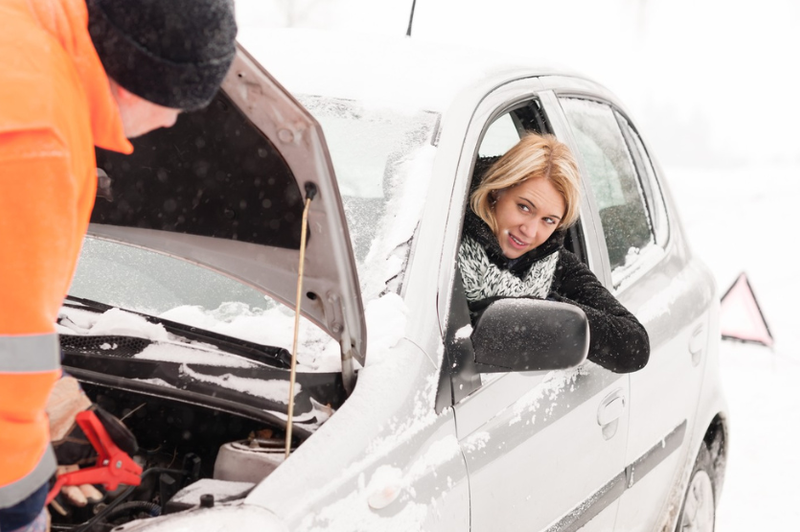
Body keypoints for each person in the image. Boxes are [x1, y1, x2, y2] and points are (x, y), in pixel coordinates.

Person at [0, 0, 237, 529]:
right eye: (178, 104)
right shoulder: (37, 138)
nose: (173, 121)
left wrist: (53, 399)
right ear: (141, 79)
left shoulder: (19, 32)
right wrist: (20, 498)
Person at [458, 132, 650, 373]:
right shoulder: (443, 238)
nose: (529, 231)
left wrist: (542, 308)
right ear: (498, 191)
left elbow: (633, 347)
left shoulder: (550, 263)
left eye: (548, 220)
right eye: (524, 207)